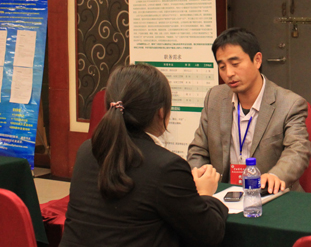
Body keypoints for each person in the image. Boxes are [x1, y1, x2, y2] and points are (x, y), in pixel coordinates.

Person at [61, 65, 228, 247]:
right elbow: (209, 234)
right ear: (161, 112)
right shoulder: (166, 167)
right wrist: (204, 194)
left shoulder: (87, 150)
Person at [188, 28, 311, 193]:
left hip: (269, 194)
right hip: (223, 194)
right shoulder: (214, 98)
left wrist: (275, 175)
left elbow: (298, 150)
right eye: (222, 66)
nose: (229, 73)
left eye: (235, 64)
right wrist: (200, 174)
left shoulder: (290, 104)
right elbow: (198, 150)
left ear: (257, 60)